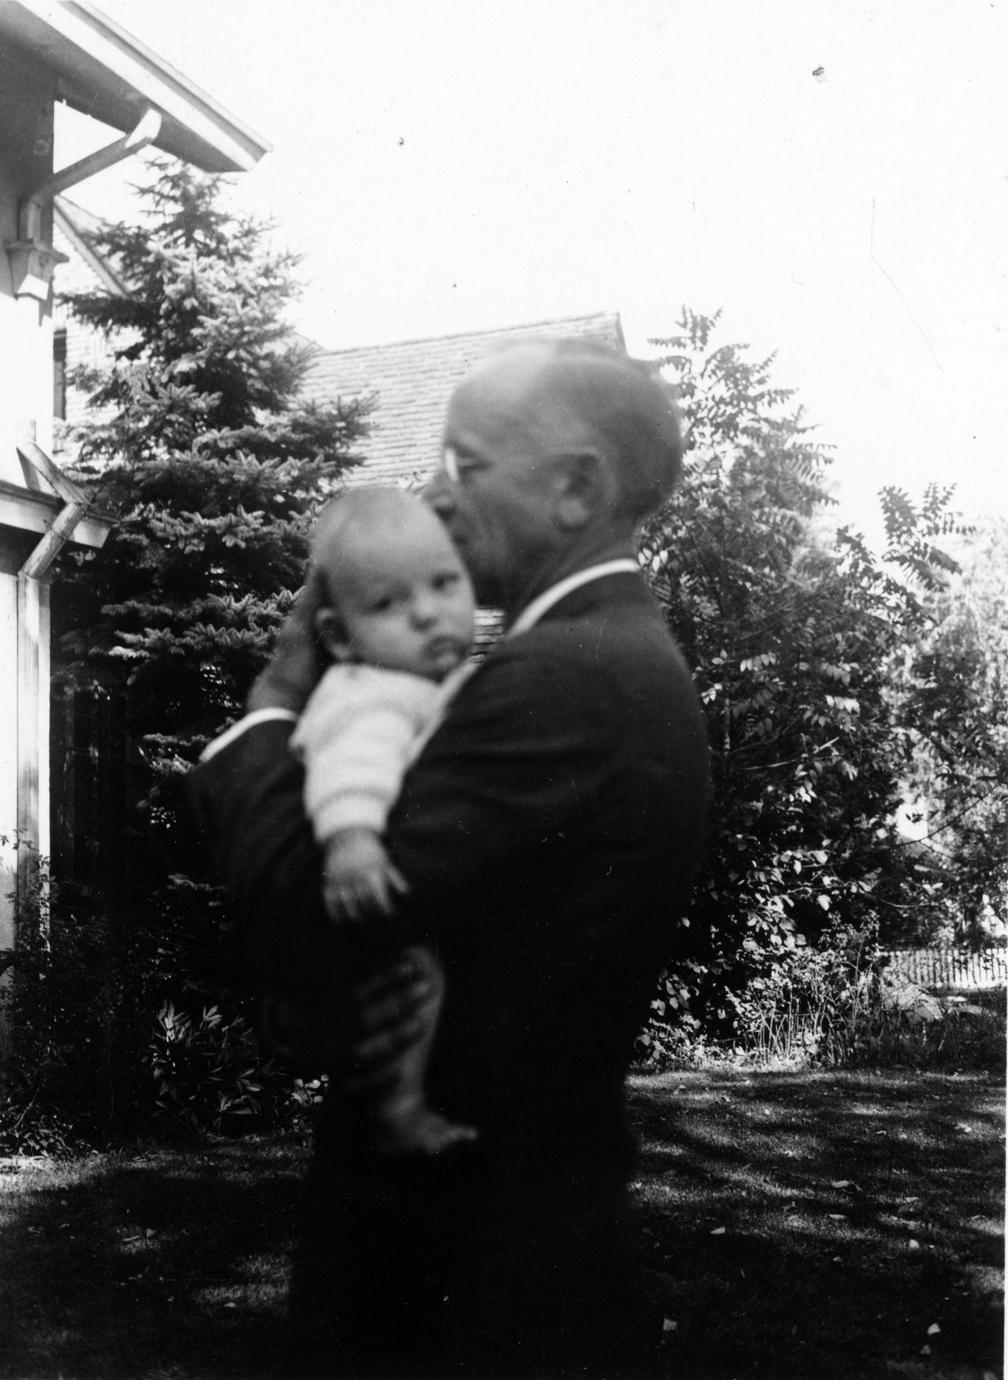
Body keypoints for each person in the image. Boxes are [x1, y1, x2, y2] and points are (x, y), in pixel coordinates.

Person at [190, 339, 711, 1378]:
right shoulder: (606, 657)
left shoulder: (560, 678)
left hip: (465, 1284)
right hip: (509, 1254)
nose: (433, 492)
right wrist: (322, 1007)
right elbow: (442, 937)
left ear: (576, 489)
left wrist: (273, 702)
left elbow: (313, 920)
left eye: (465, 465)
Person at [291, 484, 479, 1155]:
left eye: (443, 583)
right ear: (341, 638)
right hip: (366, 882)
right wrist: (352, 839)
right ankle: (398, 1108)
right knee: (414, 985)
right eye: (389, 604)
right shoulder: (367, 694)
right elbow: (352, 766)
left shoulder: (421, 681)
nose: (428, 614)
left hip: (402, 881)